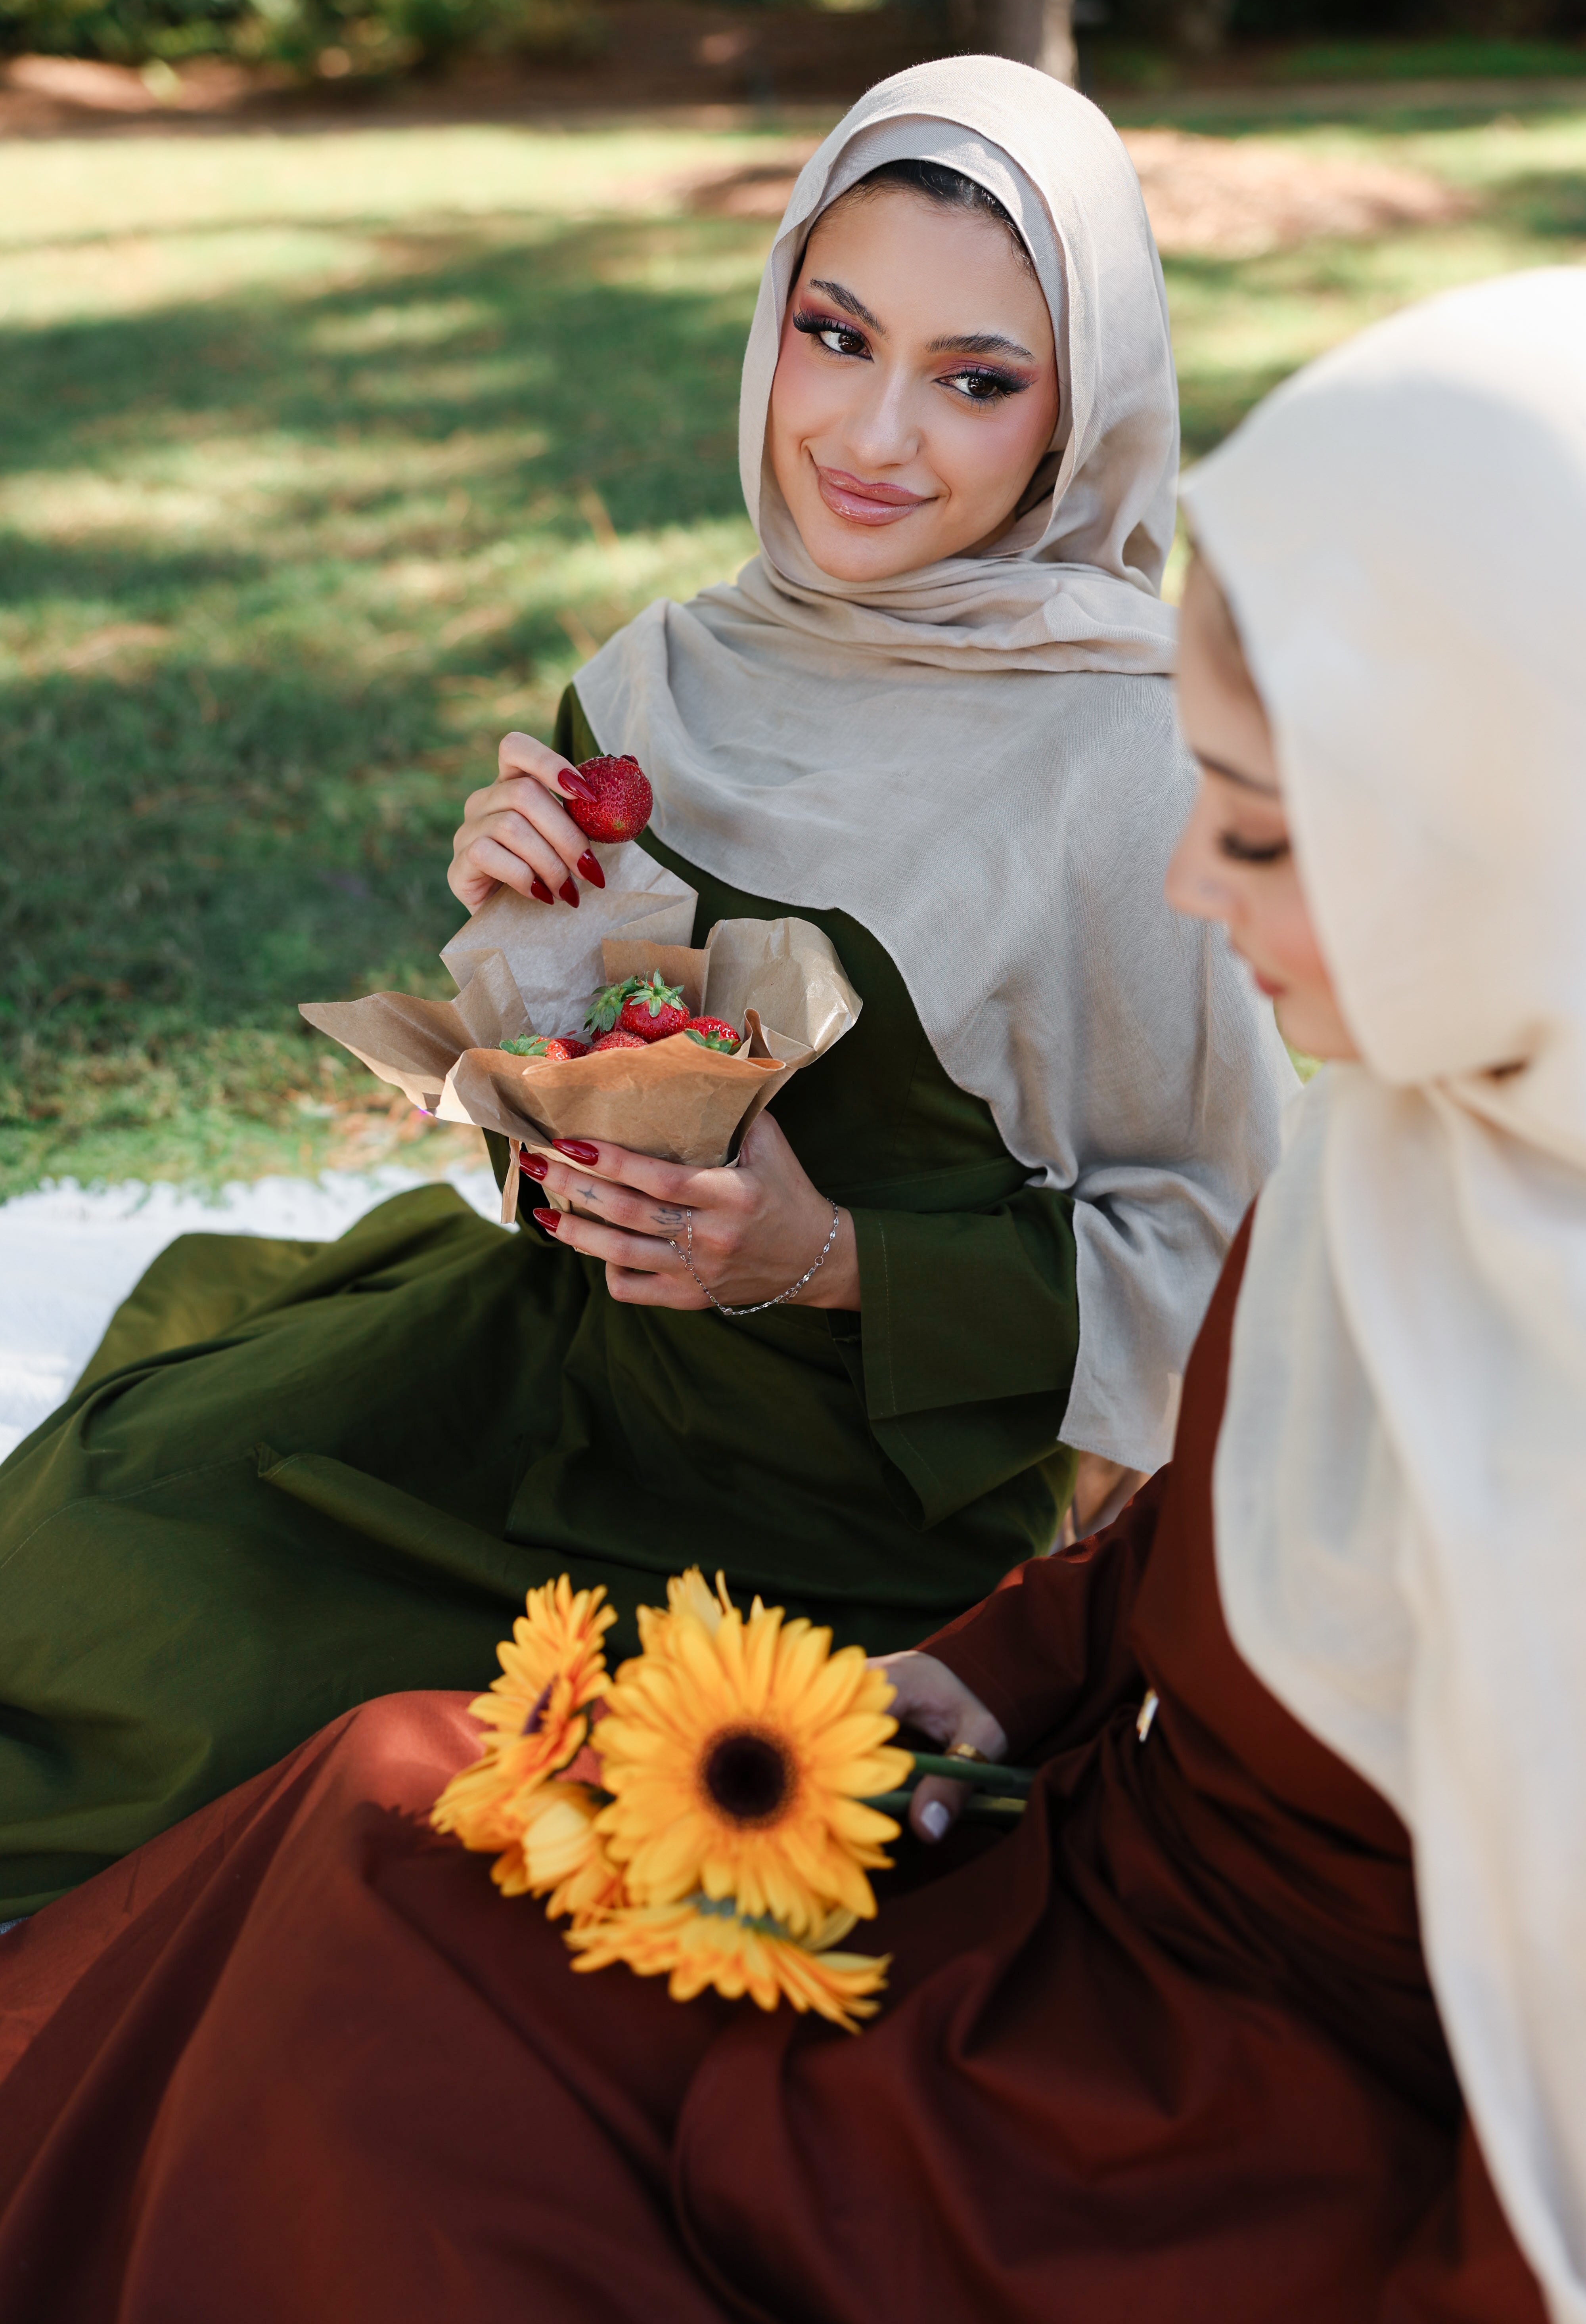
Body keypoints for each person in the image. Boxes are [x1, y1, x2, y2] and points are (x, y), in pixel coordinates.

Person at [6, 264, 1581, 2323]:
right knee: (383, 1803)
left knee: (410, 2088)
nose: (1202, 887)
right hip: (1032, 1857)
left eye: (1267, 838)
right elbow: (1236, 1504)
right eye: (833, 333)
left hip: (1167, 2147)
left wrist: (830, 1262)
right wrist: (983, 1679)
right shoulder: (1415, 1130)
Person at [0, 58, 1289, 1922]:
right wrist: (528, 939)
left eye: (975, 377)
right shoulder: (672, 675)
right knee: (104, 1548)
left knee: (263, 1786)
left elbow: (1235, 1272)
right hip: (555, 1381)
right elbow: (576, 1127)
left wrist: (823, 1254)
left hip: (831, 1549)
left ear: (1078, 414)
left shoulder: (1136, 760)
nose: (872, 434)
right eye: (833, 335)